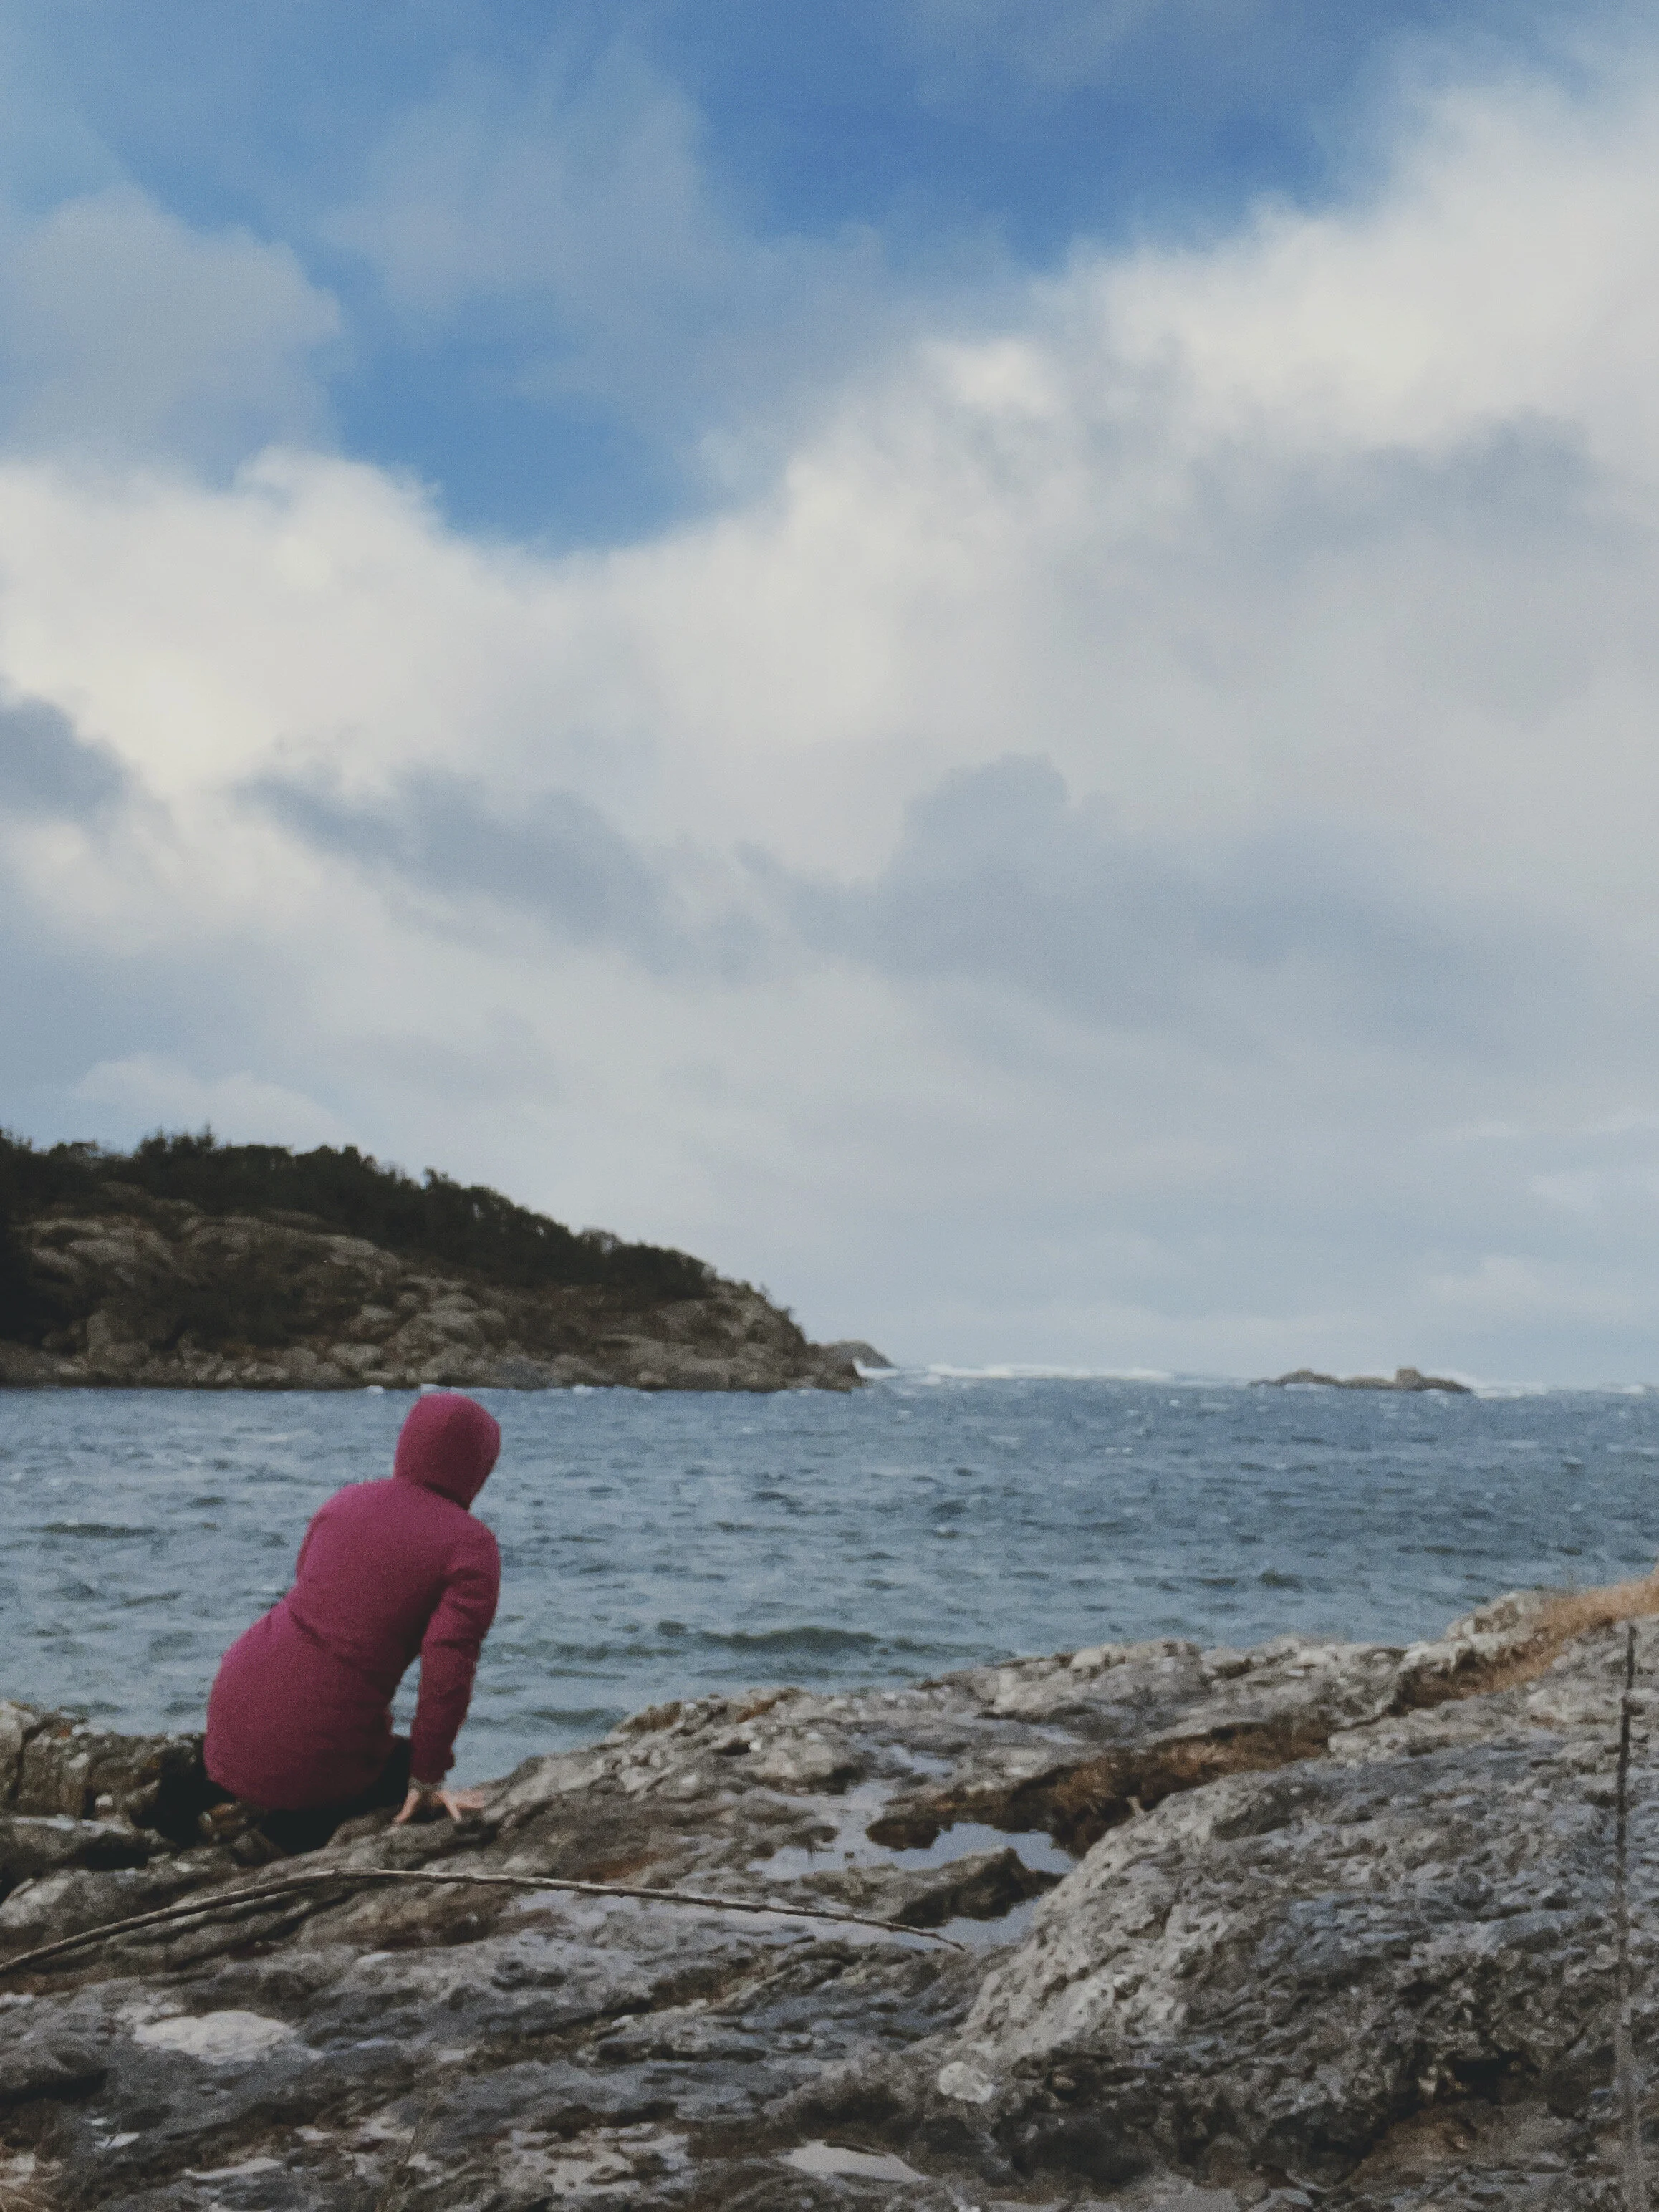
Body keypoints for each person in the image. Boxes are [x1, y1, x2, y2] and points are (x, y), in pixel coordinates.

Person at [204, 1390, 502, 1853]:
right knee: (400, 1768)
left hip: (229, 1718)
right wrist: (426, 1778)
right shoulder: (470, 1546)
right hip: (312, 1759)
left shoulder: (345, 1502)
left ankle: (237, 1810)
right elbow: (448, 1670)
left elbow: (312, 1595)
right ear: (479, 1466)